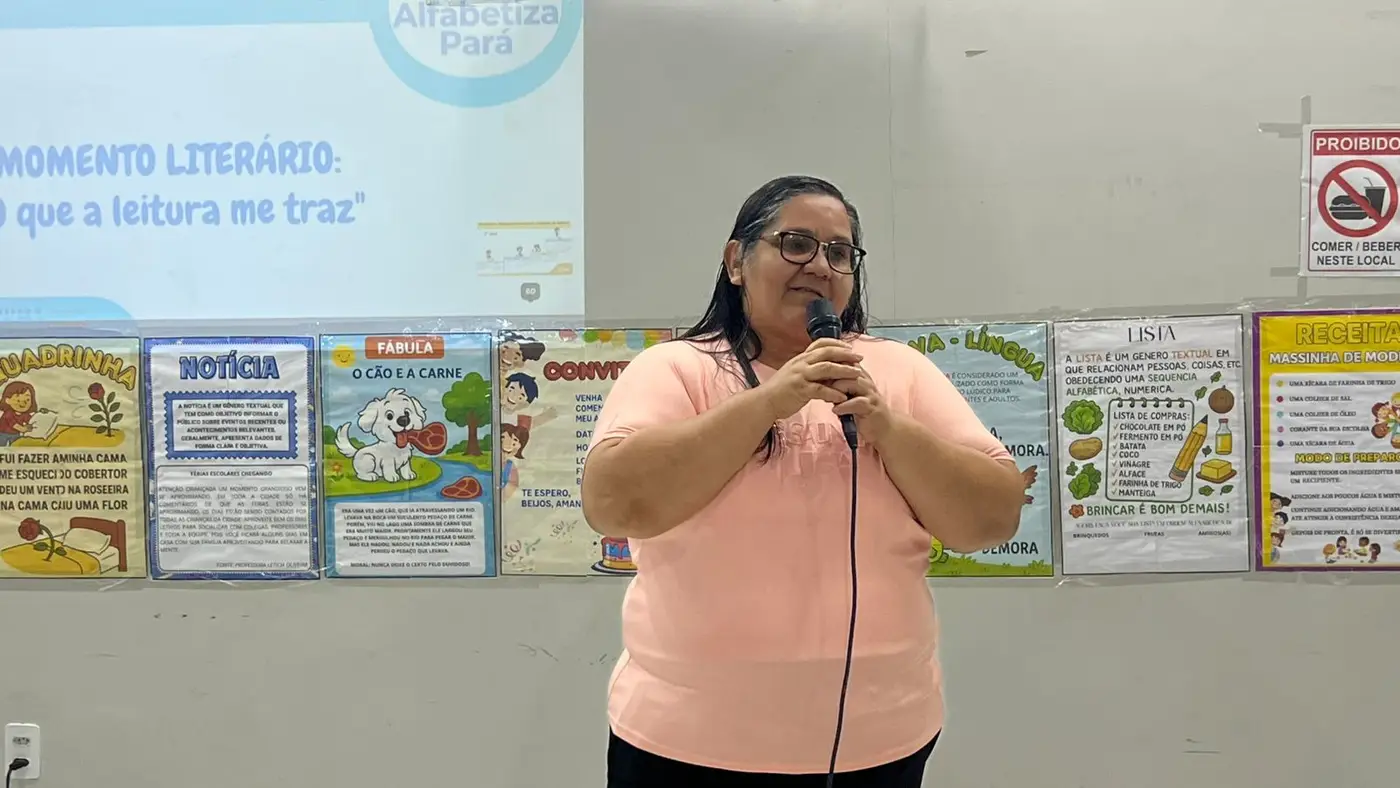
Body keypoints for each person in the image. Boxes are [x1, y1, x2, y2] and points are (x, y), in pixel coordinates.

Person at [581, 175, 1025, 787]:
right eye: (795, 244)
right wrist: (771, 399)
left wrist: (888, 426)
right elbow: (614, 503)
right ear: (736, 261)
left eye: (839, 253)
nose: (819, 265)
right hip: (685, 743)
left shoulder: (898, 371)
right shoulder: (677, 369)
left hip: (879, 740)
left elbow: (992, 518)